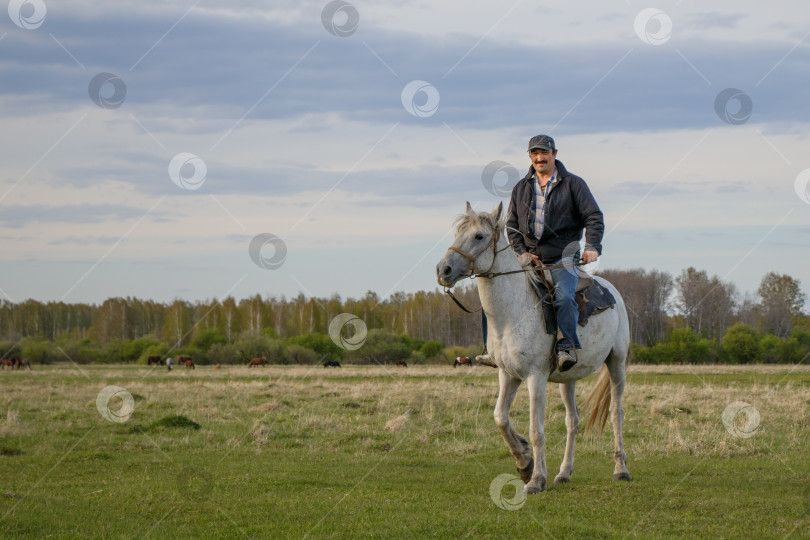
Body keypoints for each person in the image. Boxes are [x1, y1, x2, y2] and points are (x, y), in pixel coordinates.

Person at [476, 134, 604, 372]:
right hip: (530, 257)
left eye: (544, 153)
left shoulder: (574, 184)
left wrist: (592, 247)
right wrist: (522, 252)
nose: (539, 158)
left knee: (564, 297)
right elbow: (512, 226)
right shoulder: (521, 188)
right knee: (493, 297)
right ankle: (491, 349)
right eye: (534, 154)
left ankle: (566, 345)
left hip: (563, 255)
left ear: (554, 154)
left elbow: (593, 217)